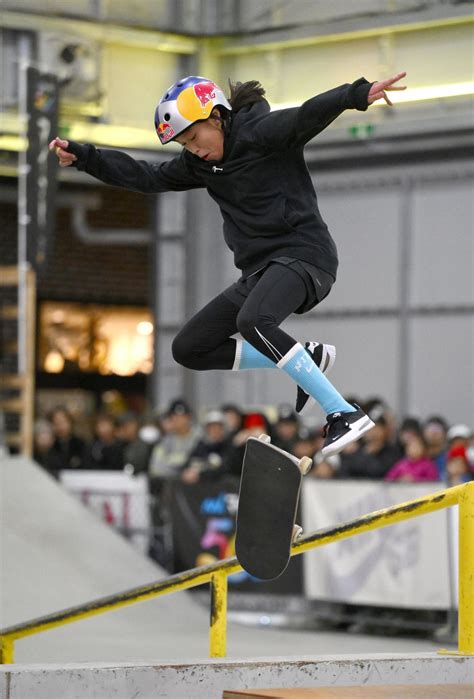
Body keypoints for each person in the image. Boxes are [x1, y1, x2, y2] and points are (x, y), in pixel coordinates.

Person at [50, 70, 407, 457]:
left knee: (252, 322)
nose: (194, 150)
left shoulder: (262, 135)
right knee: (189, 347)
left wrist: (356, 94)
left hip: (305, 256)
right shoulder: (199, 166)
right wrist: (87, 158)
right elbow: (147, 176)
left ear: (217, 116)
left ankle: (344, 413)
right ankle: (306, 358)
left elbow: (306, 115)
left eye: (195, 137)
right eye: (185, 144)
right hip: (259, 272)